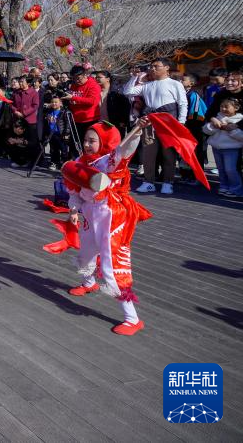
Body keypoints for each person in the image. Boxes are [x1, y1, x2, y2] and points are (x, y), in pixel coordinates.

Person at [64, 120, 151, 335]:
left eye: (92, 140)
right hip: (89, 211)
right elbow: (75, 190)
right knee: (85, 254)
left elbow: (123, 151)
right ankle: (88, 282)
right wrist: (74, 209)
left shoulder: (107, 162)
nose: (87, 144)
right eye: (85, 140)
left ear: (104, 142)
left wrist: (137, 130)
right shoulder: (80, 161)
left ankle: (132, 318)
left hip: (109, 214)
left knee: (111, 266)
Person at [123, 58, 187, 194]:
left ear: (166, 68)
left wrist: (181, 123)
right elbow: (127, 92)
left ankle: (168, 182)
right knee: (148, 154)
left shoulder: (175, 84)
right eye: (151, 66)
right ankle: (148, 181)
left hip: (168, 123)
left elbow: (182, 103)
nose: (152, 68)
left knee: (168, 154)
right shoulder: (147, 85)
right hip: (150, 121)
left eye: (156, 66)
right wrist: (134, 78)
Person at [203, 97, 243, 197]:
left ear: (236, 108)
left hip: (231, 149)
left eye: (226, 107)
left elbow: (241, 137)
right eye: (221, 106)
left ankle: (236, 189)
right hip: (216, 147)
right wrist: (213, 126)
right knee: (221, 169)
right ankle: (224, 186)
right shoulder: (217, 117)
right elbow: (205, 130)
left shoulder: (239, 119)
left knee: (230, 169)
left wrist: (231, 129)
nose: (223, 109)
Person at [181, 73, 209, 184]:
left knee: (196, 153)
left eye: (183, 80)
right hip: (186, 128)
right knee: (185, 153)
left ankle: (197, 177)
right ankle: (186, 175)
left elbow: (196, 113)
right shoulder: (182, 94)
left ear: (191, 83)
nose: (180, 81)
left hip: (195, 128)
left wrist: (188, 126)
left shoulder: (194, 95)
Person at [64, 65, 102, 141]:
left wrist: (73, 98)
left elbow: (92, 101)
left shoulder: (93, 85)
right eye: (74, 79)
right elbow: (73, 99)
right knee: (75, 146)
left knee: (87, 146)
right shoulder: (74, 85)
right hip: (76, 120)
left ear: (85, 75)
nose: (76, 81)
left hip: (89, 120)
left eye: (78, 78)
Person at [12, 75, 42, 166]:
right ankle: (21, 161)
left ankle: (33, 161)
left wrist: (24, 113)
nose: (20, 83)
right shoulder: (16, 92)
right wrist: (15, 111)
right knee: (19, 141)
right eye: (20, 81)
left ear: (28, 83)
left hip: (30, 120)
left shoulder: (33, 92)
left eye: (22, 82)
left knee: (31, 142)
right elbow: (11, 103)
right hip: (19, 120)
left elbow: (35, 105)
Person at [94, 70, 131, 135]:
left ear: (108, 79)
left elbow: (126, 106)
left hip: (115, 123)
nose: (97, 79)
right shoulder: (96, 92)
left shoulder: (116, 91)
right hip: (100, 123)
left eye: (99, 77)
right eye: (96, 77)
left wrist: (123, 121)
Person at [43, 95, 74, 170]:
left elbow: (67, 124)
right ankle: (54, 162)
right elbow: (43, 110)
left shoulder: (64, 112)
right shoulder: (49, 111)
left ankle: (64, 163)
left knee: (63, 150)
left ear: (60, 103)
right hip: (52, 134)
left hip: (61, 134)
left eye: (56, 102)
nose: (54, 104)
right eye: (52, 102)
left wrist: (66, 133)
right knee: (53, 149)